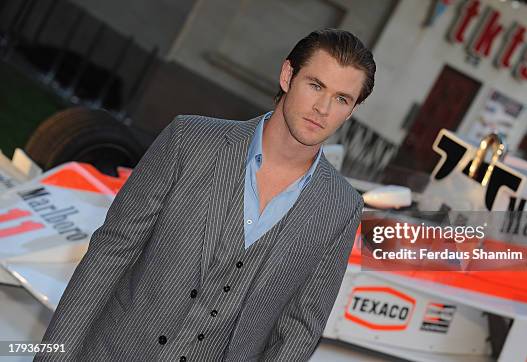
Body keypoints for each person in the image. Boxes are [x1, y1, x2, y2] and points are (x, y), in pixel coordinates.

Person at [35, 28, 375, 361]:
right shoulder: (190, 140)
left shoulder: (341, 207)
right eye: (315, 85)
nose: (323, 108)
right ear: (288, 75)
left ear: (352, 109)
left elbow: (300, 328)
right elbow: (109, 255)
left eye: (342, 99)